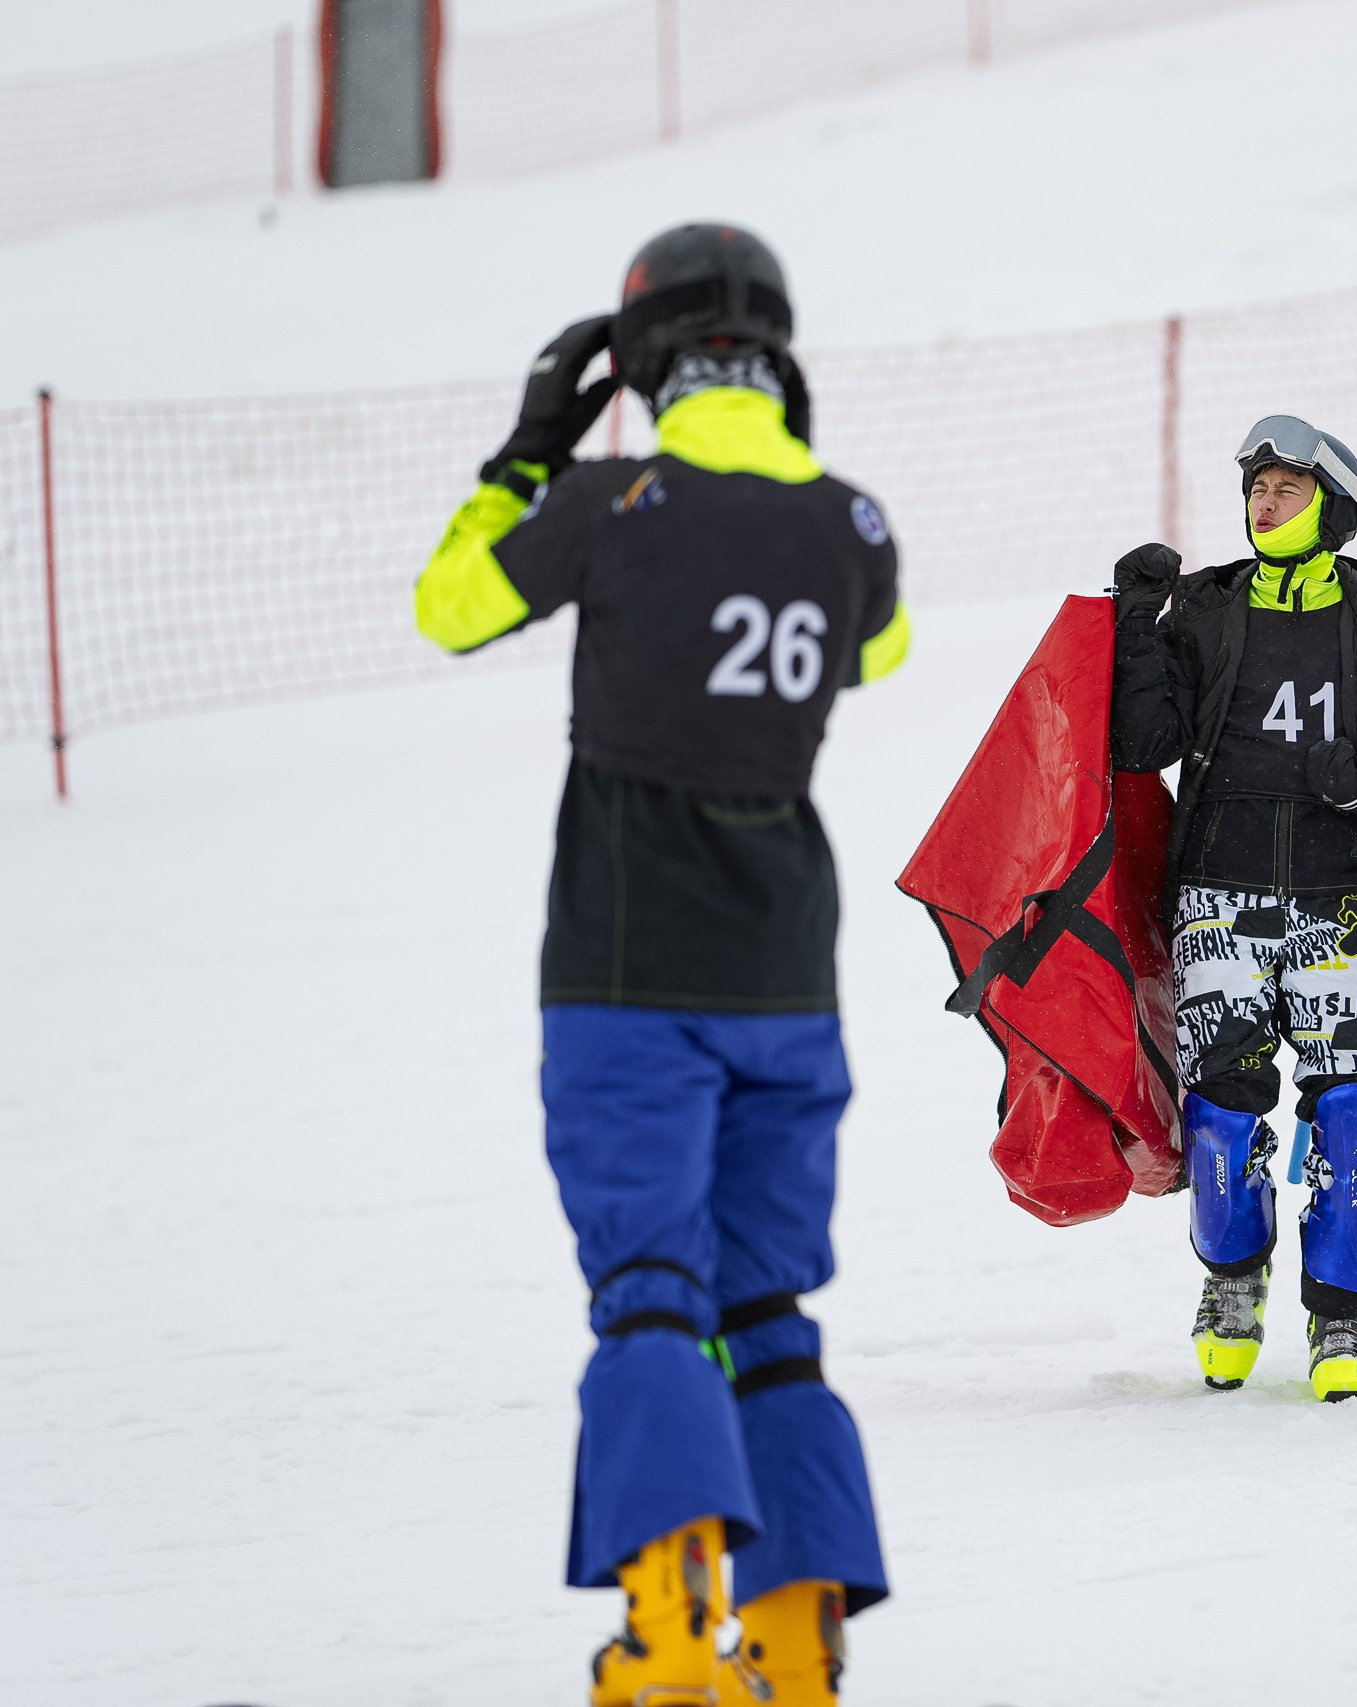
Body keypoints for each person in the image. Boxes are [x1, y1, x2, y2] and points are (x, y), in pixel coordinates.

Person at [413, 222, 907, 1706]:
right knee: (766, 1310)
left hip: (628, 972)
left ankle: (671, 1635)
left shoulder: (606, 499)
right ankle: (796, 1642)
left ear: (636, 367)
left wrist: (527, 455)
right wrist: (786, 468)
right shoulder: (852, 524)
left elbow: (450, 606)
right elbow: (874, 652)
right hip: (789, 972)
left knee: (649, 1290)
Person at [1109, 415, 1357, 1400]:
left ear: (1334, 508)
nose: (1265, 503)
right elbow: (1142, 743)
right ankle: (1233, 1283)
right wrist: (1133, 623)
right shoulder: (1205, 607)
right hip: (1217, 898)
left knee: (1350, 1110)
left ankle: (1344, 1318)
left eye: (1288, 488)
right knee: (1221, 1113)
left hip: (1343, 902)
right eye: (1257, 488)